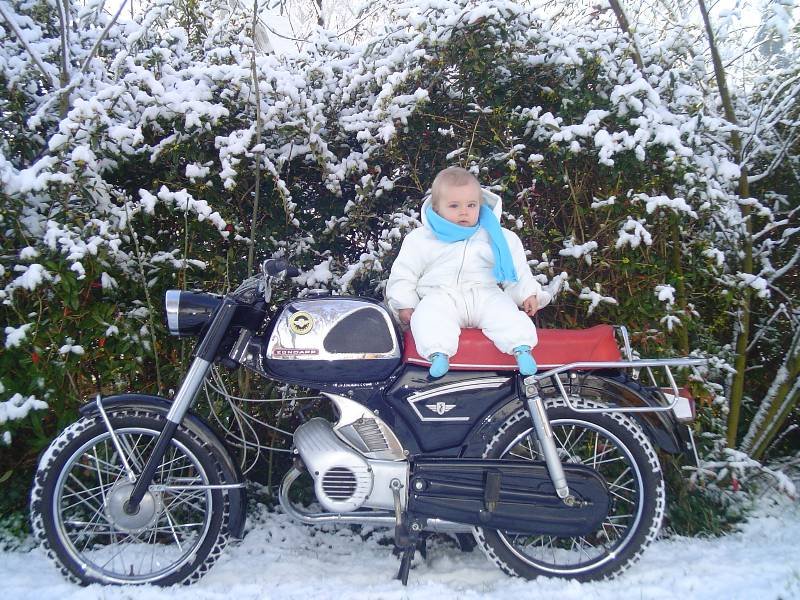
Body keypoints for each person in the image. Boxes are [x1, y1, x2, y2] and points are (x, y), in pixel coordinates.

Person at [385, 166, 552, 378]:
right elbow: (404, 274)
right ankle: (438, 353)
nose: (464, 211)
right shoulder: (421, 239)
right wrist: (404, 304)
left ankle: (521, 349)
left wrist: (527, 293)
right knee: (428, 316)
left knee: (506, 314)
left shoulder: (497, 237)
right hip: (441, 294)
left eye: (471, 205)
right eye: (454, 205)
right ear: (437, 208)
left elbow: (516, 272)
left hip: (484, 293)